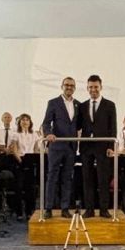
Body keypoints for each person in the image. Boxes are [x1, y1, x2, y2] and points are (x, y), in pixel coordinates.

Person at [76, 74, 118, 218]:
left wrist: (111, 146)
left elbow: (113, 127)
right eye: (90, 87)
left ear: (101, 87)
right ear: (87, 88)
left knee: (103, 178)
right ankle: (89, 209)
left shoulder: (110, 105)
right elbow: (78, 126)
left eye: (96, 87)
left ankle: (104, 209)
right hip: (86, 147)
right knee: (87, 179)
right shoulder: (82, 106)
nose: (93, 89)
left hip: (103, 147)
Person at [41, 76, 80, 218]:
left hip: (71, 147)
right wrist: (49, 134)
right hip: (56, 146)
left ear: (74, 88)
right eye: (66, 85)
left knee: (67, 178)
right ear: (62, 86)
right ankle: (48, 208)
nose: (69, 87)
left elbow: (78, 125)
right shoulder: (53, 103)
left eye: (71, 85)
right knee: (52, 177)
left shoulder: (78, 104)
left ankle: (65, 208)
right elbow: (46, 123)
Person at [8, 113, 42, 220]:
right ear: (19, 122)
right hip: (19, 161)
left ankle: (29, 211)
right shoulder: (15, 134)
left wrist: (35, 158)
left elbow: (36, 148)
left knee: (30, 188)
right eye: (23, 120)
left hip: (30, 161)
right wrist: (20, 160)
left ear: (30, 122)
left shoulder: (34, 134)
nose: (25, 122)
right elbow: (14, 149)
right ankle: (19, 212)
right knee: (18, 187)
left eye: (27, 120)